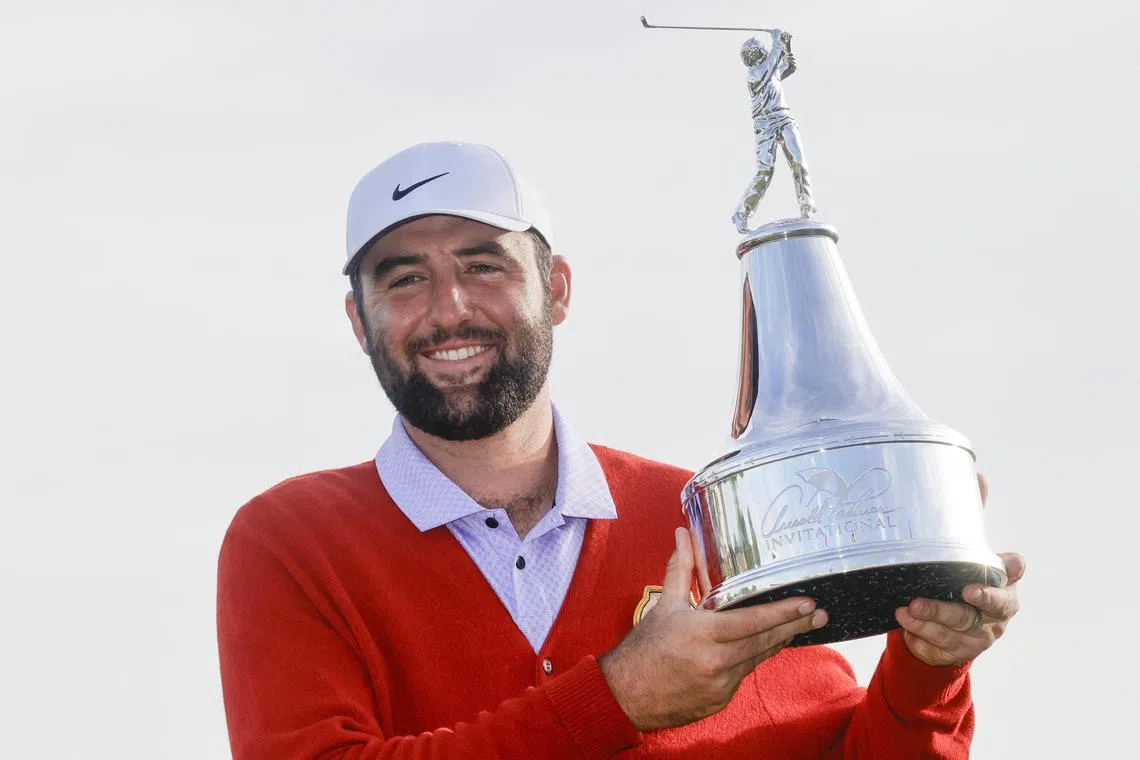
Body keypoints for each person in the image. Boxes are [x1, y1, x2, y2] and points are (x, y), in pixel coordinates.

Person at [216, 140, 1024, 759]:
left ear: (557, 289)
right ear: (360, 322)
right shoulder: (291, 541)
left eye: (483, 264)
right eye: (403, 280)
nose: (448, 308)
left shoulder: (709, 519)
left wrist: (929, 667)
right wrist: (617, 699)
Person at [732, 29, 817, 233]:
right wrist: (777, 40)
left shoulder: (771, 69)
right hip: (764, 125)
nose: (754, 56)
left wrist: (786, 45)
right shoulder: (755, 74)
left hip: (783, 117)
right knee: (765, 170)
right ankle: (742, 213)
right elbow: (773, 63)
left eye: (755, 51)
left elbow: (789, 66)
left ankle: (806, 204)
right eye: (750, 54)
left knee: (798, 160)